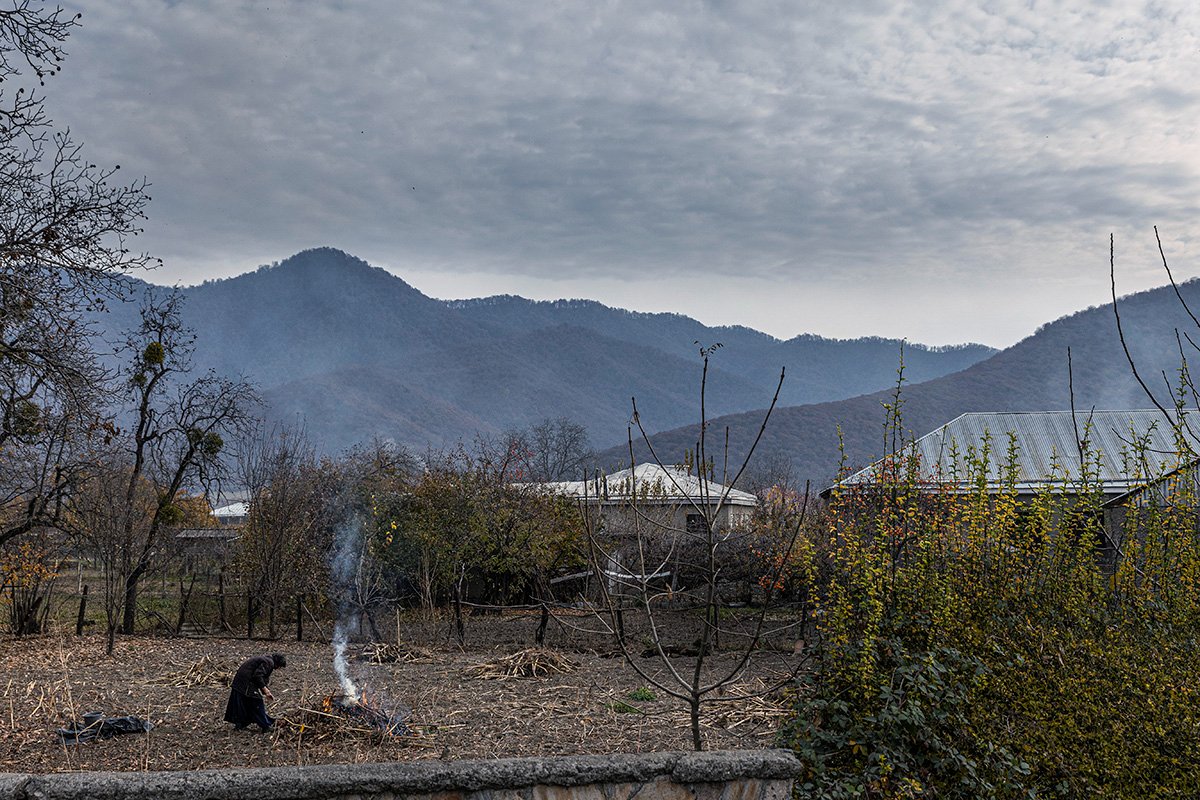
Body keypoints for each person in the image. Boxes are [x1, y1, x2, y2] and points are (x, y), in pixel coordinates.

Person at [224, 653, 287, 731]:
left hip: (240, 683)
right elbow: (258, 676)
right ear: (278, 664)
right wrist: (265, 690)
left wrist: (265, 691)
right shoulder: (269, 663)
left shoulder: (266, 659)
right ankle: (266, 726)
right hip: (246, 683)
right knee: (256, 703)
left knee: (245, 704)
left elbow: (260, 678)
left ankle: (241, 723)